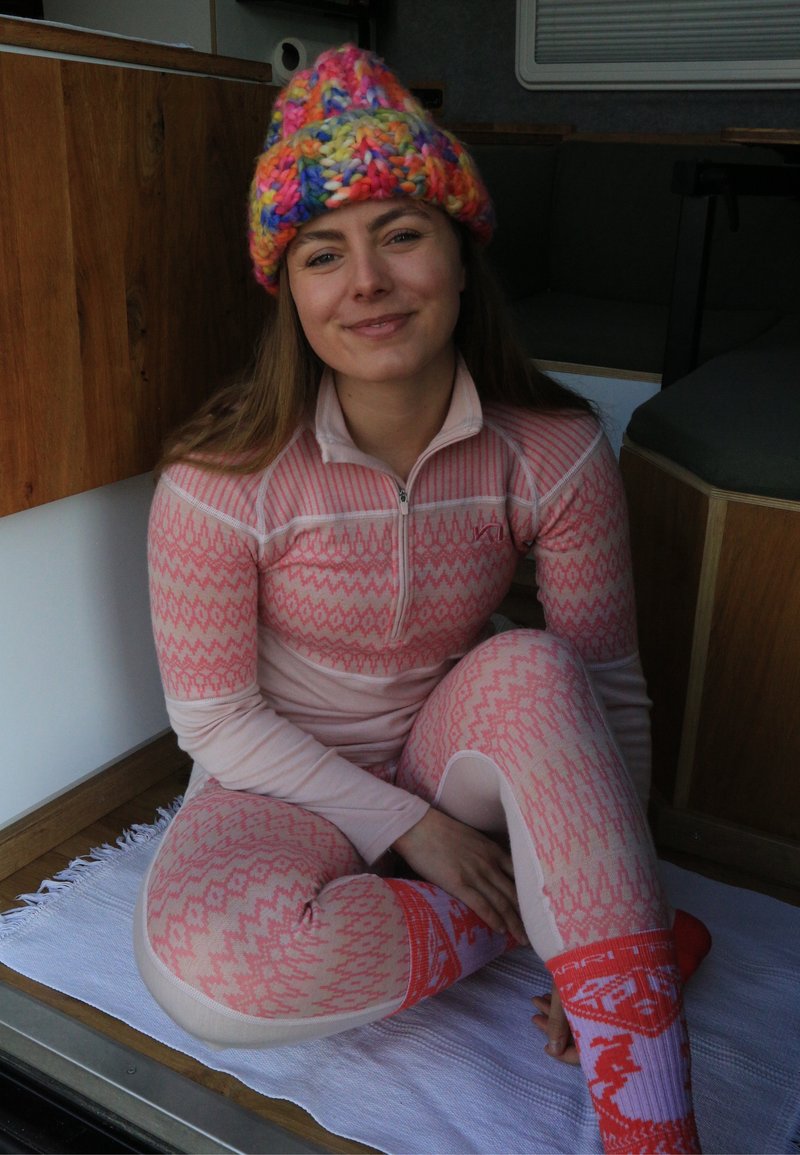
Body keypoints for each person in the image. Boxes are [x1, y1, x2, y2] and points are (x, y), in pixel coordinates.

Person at [134, 44, 711, 1154]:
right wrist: (420, 835)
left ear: (458, 251)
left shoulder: (554, 451)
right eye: (321, 253)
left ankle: (649, 1114)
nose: (365, 284)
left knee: (543, 667)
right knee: (213, 983)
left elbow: (606, 687)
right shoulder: (215, 484)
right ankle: (588, 926)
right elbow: (214, 721)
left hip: (463, 746)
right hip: (281, 778)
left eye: (400, 233)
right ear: (285, 289)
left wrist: (610, 868)